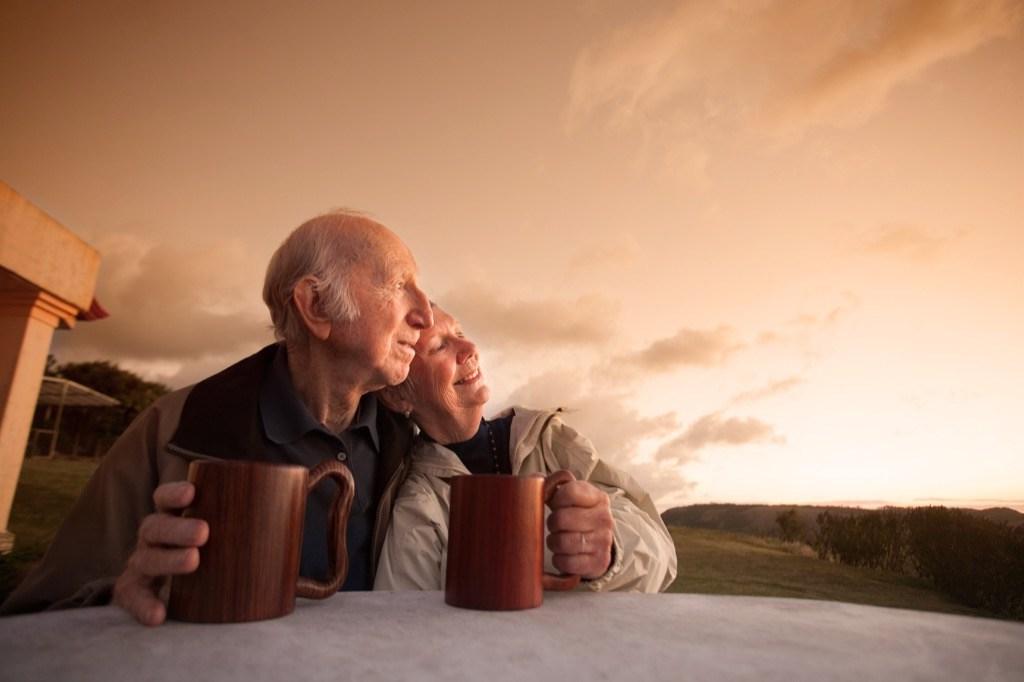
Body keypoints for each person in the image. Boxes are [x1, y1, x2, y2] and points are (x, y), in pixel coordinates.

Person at [1, 210, 434, 624]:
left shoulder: (408, 443)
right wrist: (117, 599)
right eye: (398, 284)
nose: (425, 314)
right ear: (316, 305)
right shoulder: (173, 427)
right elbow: (35, 618)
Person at [373, 306, 677, 592]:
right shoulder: (419, 505)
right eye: (440, 346)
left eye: (461, 334)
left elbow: (662, 556)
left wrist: (611, 551)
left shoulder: (548, 440)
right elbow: (407, 628)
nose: (469, 350)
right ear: (398, 396)